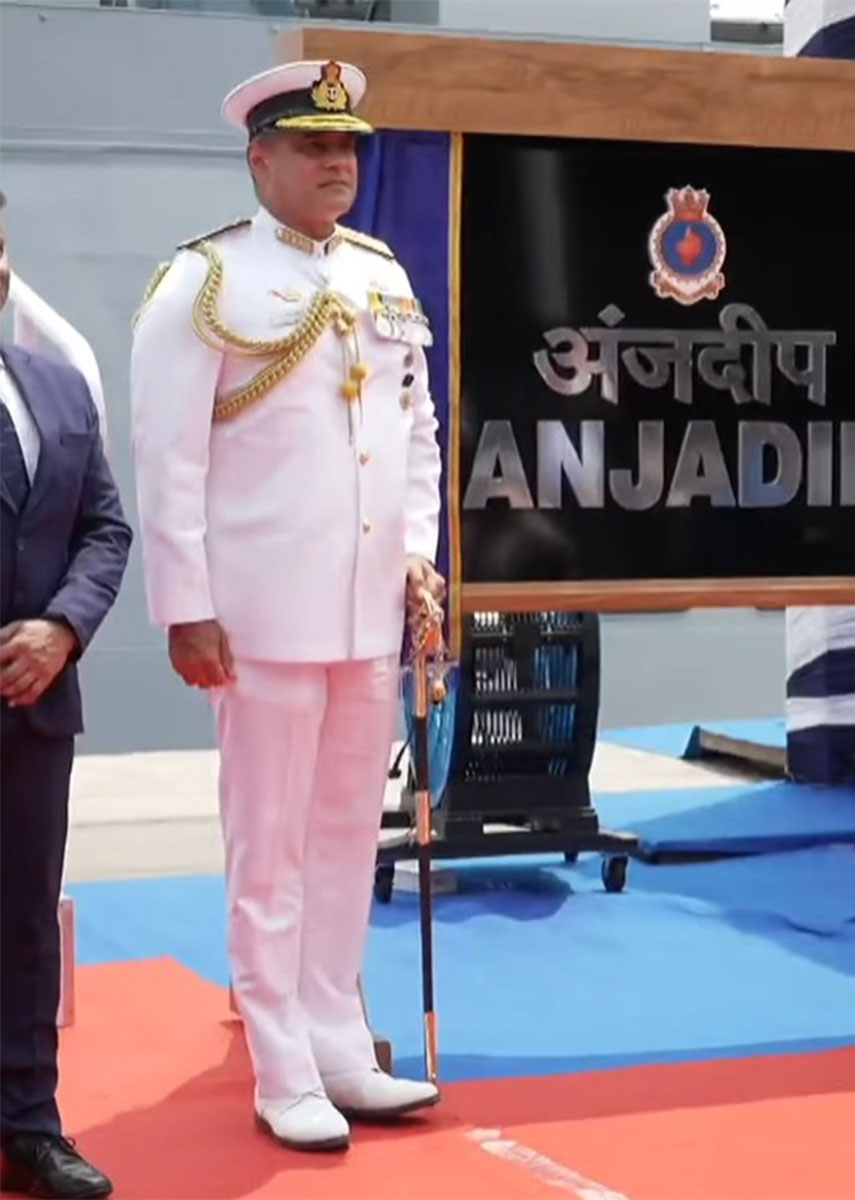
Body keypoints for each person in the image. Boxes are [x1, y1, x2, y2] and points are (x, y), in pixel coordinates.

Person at [128, 60, 446, 1150]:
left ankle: (339, 1039)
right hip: (258, 617)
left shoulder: (379, 274)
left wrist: (419, 565)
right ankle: (279, 1064)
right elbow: (167, 460)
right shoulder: (203, 283)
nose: (336, 164)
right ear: (259, 157)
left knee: (348, 835)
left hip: (363, 613)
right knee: (267, 845)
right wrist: (187, 605)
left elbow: (416, 437)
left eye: (347, 147)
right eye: (313, 147)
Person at [0, 189, 130, 1198]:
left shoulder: (59, 386)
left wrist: (64, 627)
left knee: (24, 922)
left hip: (34, 703)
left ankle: (29, 1125)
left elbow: (104, 528)